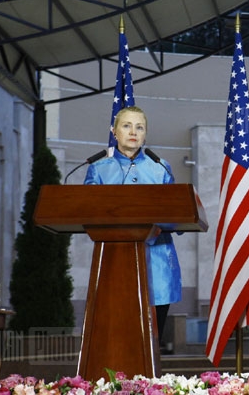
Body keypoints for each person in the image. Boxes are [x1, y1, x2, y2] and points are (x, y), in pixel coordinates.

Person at [84, 105, 181, 339]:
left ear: (145, 134)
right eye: (126, 125)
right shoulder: (98, 169)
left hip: (156, 264)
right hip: (114, 263)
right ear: (114, 131)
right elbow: (88, 214)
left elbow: (176, 215)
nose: (133, 132)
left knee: (152, 339)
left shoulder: (160, 168)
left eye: (139, 127)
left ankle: (152, 377)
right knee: (117, 338)